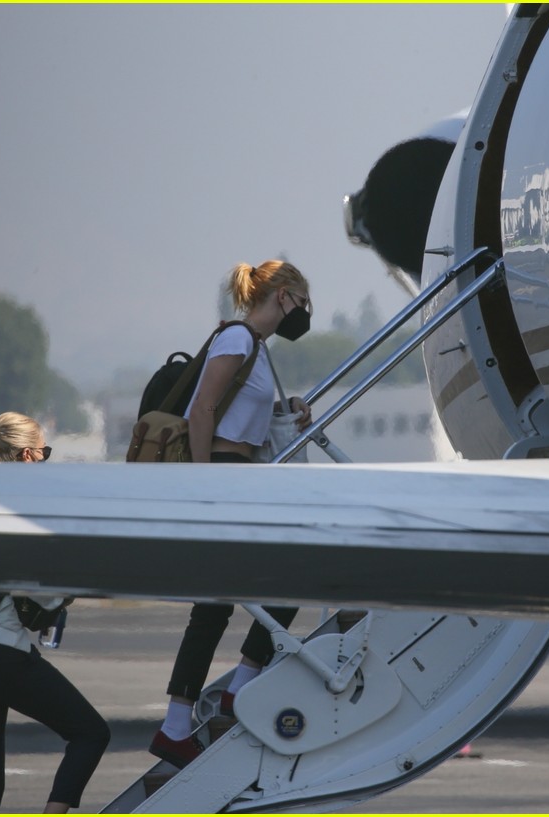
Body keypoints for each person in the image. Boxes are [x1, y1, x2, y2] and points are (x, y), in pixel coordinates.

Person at [149, 259, 315, 769]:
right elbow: (202, 409)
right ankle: (220, 698)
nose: (305, 312)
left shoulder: (257, 350)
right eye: (302, 300)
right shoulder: (237, 339)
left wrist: (290, 406)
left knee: (224, 598)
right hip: (222, 471)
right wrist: (206, 484)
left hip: (240, 473)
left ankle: (185, 720)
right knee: (283, 576)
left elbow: (246, 414)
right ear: (282, 295)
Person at [0, 412, 110, 813]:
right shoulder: (21, 505)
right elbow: (43, 593)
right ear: (27, 455)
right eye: (45, 452)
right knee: (90, 734)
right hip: (0, 649)